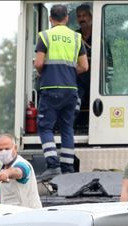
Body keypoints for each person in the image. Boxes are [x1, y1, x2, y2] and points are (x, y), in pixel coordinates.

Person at [34, 4, 89, 180]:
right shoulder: (76, 37)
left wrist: (48, 73)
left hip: (50, 89)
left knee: (45, 127)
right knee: (67, 128)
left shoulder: (45, 36)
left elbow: (38, 63)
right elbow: (84, 66)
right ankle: (67, 166)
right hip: (71, 90)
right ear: (66, 18)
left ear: (50, 19)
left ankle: (52, 165)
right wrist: (69, 72)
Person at [0, 134, 42, 209]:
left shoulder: (23, 164)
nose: (3, 152)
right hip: (9, 215)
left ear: (15, 148)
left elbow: (18, 171)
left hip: (28, 216)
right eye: (0, 149)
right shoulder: (2, 168)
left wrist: (7, 173)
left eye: (7, 149)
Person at [74, 3, 93, 130]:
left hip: (95, 79)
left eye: (84, 15)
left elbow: (108, 61)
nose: (82, 19)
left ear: (91, 17)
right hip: (79, 77)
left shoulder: (100, 35)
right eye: (79, 16)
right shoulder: (74, 36)